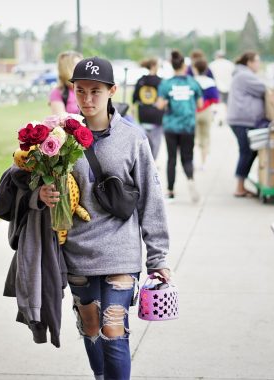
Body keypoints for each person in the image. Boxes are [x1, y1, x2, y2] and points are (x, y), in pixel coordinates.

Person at [40, 56, 171, 380]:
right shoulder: (60, 138)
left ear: (112, 90)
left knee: (114, 328)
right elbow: (40, 183)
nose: (87, 99)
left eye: (95, 91)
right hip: (78, 251)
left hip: (120, 251)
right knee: (91, 326)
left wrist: (158, 257)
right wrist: (40, 195)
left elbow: (151, 199)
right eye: (81, 91)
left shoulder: (133, 138)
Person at [157, 50, 203, 202]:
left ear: (172, 65)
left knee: (171, 159)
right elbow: (200, 104)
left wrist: (167, 102)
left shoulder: (166, 84)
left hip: (171, 126)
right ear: (184, 65)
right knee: (187, 158)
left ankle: (170, 190)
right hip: (188, 126)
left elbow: (159, 105)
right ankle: (190, 179)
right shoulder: (193, 82)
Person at [227, 51, 266, 198]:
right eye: (257, 61)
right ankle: (239, 187)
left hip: (241, 119)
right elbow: (264, 88)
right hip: (242, 120)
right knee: (247, 151)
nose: (258, 64)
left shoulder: (241, 74)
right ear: (249, 62)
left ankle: (241, 184)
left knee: (249, 151)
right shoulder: (244, 75)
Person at [132, 57, 164, 160]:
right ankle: (152, 161)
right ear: (154, 66)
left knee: (144, 140)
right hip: (156, 115)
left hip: (143, 114)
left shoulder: (141, 80)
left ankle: (146, 159)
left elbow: (134, 99)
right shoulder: (161, 81)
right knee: (156, 141)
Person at [194, 58, 220, 169]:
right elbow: (215, 99)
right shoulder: (210, 82)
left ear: (195, 69)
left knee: (193, 138)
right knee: (205, 138)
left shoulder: (192, 80)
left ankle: (192, 162)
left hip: (193, 111)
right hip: (206, 111)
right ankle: (203, 163)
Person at [49, 51, 83, 115]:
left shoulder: (89, 88)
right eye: (77, 64)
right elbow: (60, 120)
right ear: (66, 69)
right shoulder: (58, 93)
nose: (82, 67)